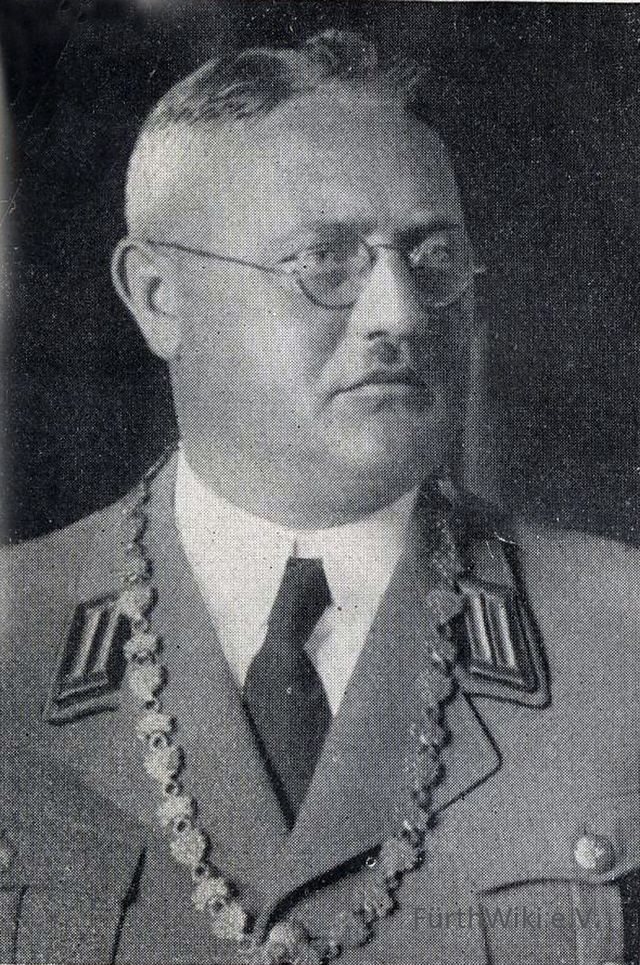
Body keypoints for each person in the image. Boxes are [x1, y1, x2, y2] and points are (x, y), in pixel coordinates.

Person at [2, 29, 639, 965]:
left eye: (432, 256)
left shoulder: (619, 638)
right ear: (159, 296)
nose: (401, 313)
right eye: (325, 260)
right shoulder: (13, 634)